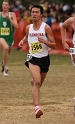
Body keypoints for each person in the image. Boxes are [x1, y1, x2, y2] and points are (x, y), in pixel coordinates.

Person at [18, 5, 56, 118]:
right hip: (32, 57)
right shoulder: (28, 27)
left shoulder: (46, 28)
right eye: (33, 12)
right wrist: (22, 41)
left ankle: (34, 82)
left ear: (41, 15)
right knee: (37, 81)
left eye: (36, 12)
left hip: (44, 59)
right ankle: (37, 108)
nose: (34, 14)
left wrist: (44, 41)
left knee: (38, 84)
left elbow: (54, 45)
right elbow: (26, 36)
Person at [0, 0, 18, 76]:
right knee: (6, 48)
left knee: (8, 53)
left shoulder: (12, 14)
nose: (4, 6)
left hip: (9, 37)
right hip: (1, 37)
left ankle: (4, 63)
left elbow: (16, 26)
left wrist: (9, 19)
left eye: (6, 4)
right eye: (3, 4)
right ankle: (6, 68)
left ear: (9, 7)